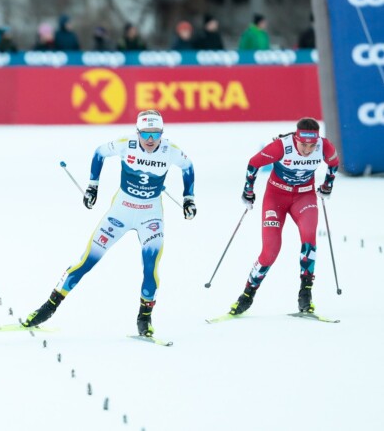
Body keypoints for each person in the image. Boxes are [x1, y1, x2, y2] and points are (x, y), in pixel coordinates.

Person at [22, 110, 196, 337]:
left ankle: (144, 318)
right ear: (137, 132)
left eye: (156, 134)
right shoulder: (126, 144)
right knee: (87, 260)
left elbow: (188, 166)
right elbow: (99, 152)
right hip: (121, 212)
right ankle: (49, 307)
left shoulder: (170, 150)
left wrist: (188, 199)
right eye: (146, 134)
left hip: (150, 216)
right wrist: (93, 186)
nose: (151, 139)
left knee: (150, 266)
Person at [230, 117, 339, 316]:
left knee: (309, 239)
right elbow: (253, 163)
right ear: (296, 138)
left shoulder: (324, 146)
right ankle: (247, 295)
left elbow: (334, 163)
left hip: (304, 197)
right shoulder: (281, 146)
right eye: (303, 145)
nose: (308, 150)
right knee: (270, 251)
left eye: (312, 145)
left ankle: (305, 294)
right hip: (276, 197)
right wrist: (248, 192)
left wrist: (327, 186)